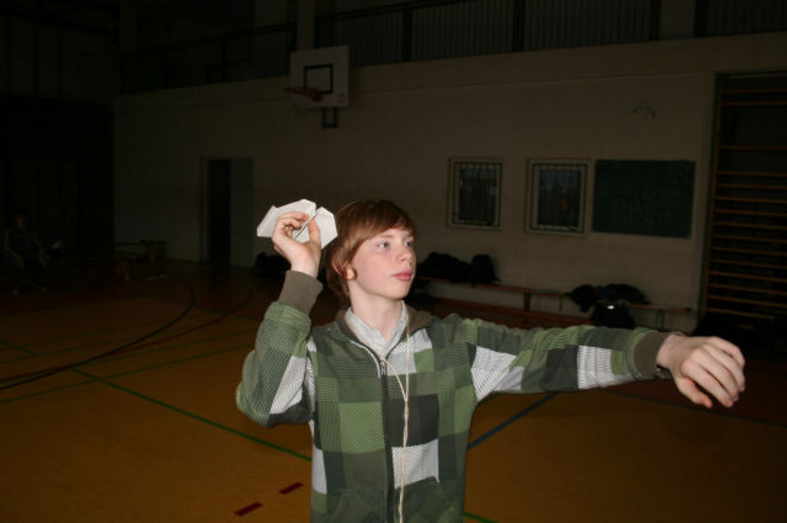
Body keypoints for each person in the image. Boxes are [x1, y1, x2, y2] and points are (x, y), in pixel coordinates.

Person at [236, 199, 745, 523]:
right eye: (384, 244)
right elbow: (264, 401)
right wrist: (301, 275)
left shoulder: (457, 347)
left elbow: (555, 352)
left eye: (408, 242)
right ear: (344, 265)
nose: (406, 255)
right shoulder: (319, 354)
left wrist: (662, 349)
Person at [3, 211, 48, 296]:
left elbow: (37, 243)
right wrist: (17, 256)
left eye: (22, 219)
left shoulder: (29, 230)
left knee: (43, 261)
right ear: (16, 220)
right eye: (19, 219)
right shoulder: (10, 231)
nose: (21, 221)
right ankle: (16, 287)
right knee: (15, 264)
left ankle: (37, 283)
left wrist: (40, 254)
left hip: (28, 253)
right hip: (15, 255)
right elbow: (7, 247)